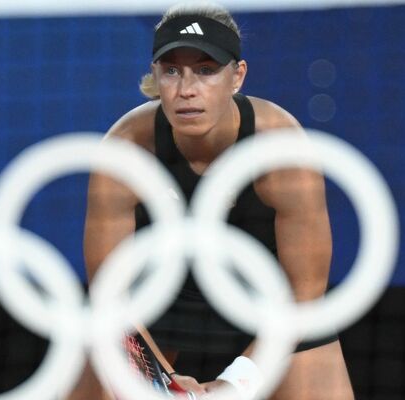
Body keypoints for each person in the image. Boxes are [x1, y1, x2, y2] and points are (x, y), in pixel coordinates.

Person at [71, 2, 354, 399]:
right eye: (172, 70)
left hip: (267, 307)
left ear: (237, 76)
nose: (186, 90)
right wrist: (164, 382)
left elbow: (304, 292)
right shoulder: (125, 149)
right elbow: (109, 294)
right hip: (158, 307)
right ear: (156, 74)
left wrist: (235, 382)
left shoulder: (282, 150)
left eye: (206, 71)